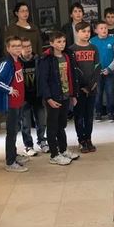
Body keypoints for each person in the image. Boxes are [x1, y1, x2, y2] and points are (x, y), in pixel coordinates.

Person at [0, 36, 30, 173]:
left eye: (19, 45)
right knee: (11, 132)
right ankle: (10, 162)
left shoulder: (18, 61)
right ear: (8, 48)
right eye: (14, 46)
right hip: (11, 103)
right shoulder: (7, 63)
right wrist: (9, 89)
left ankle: (14, 154)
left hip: (19, 102)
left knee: (15, 130)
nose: (17, 48)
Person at [37, 31, 78, 165]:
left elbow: (72, 76)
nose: (62, 44)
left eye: (63, 41)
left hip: (65, 95)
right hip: (53, 97)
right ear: (51, 43)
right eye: (58, 42)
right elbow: (43, 81)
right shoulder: (46, 59)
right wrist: (48, 98)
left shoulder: (67, 56)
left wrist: (73, 94)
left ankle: (63, 149)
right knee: (52, 126)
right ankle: (54, 154)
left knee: (62, 125)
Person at [71, 21, 100, 153]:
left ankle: (88, 138)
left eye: (88, 31)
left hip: (91, 88)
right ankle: (81, 140)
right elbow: (73, 71)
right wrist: (80, 87)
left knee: (89, 116)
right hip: (78, 90)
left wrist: (90, 86)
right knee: (79, 116)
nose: (87, 34)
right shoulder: (72, 50)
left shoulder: (94, 48)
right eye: (83, 31)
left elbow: (97, 67)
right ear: (77, 33)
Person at [19, 37, 48, 155]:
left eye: (29, 46)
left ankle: (42, 141)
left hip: (37, 95)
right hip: (24, 97)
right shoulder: (17, 62)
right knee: (25, 123)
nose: (28, 49)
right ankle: (28, 145)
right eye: (25, 47)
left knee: (41, 121)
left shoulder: (38, 60)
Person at [90, 20, 114, 122]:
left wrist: (109, 68)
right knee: (98, 93)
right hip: (97, 73)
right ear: (96, 30)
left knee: (110, 92)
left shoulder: (113, 40)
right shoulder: (92, 41)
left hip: (110, 72)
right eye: (101, 28)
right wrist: (95, 69)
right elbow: (90, 57)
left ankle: (110, 113)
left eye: (106, 28)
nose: (104, 30)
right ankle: (98, 113)